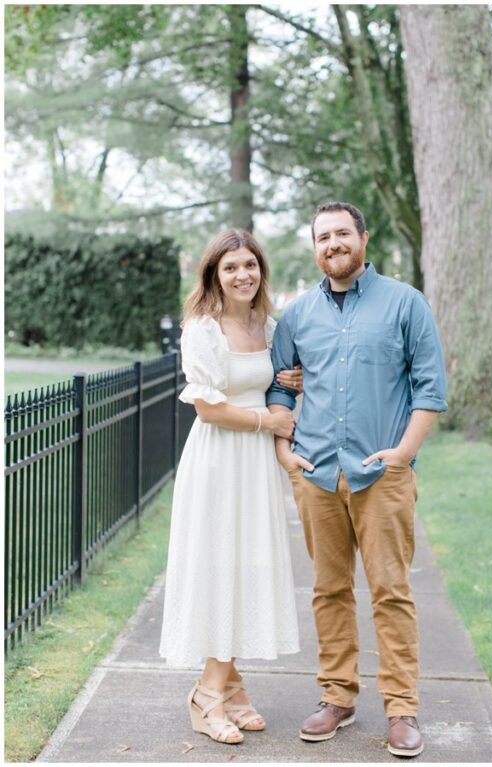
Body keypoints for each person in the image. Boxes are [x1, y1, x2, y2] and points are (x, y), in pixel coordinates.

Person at [266, 201, 448, 758]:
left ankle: (401, 710)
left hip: (381, 476)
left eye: (343, 233)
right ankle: (337, 697)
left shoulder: (405, 304)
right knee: (328, 590)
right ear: (315, 247)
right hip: (317, 474)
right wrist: (284, 450)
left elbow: (430, 388)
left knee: (392, 592)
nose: (333, 244)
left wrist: (403, 455)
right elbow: (280, 388)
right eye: (323, 237)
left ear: (364, 238)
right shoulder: (296, 317)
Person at [159, 229, 305, 744]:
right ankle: (207, 694)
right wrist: (269, 422)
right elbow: (208, 407)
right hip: (219, 461)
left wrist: (289, 387)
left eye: (249, 265)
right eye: (230, 267)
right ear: (214, 275)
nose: (242, 275)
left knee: (247, 565)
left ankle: (234, 686)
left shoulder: (266, 323)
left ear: (260, 270)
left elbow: (270, 380)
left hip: (255, 467)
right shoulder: (203, 328)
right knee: (221, 564)